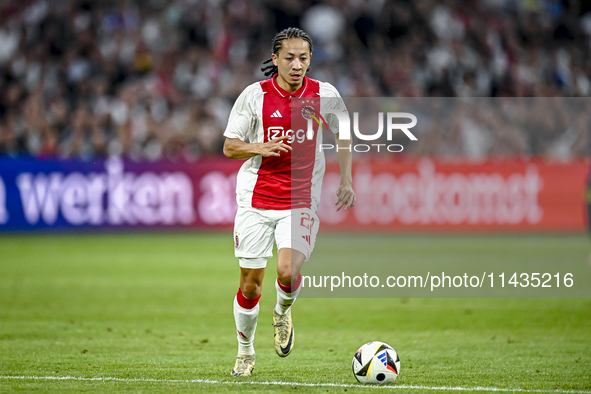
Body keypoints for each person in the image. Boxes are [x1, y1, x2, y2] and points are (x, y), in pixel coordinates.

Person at [222, 27, 356, 377]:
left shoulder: (324, 95)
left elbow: (344, 133)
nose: (297, 65)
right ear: (275, 59)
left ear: (310, 60)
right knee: (250, 284)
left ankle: (282, 311)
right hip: (255, 200)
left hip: (299, 200)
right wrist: (259, 147)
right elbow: (230, 146)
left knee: (287, 270)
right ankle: (246, 352)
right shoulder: (254, 96)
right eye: (290, 58)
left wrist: (346, 179)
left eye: (303, 58)